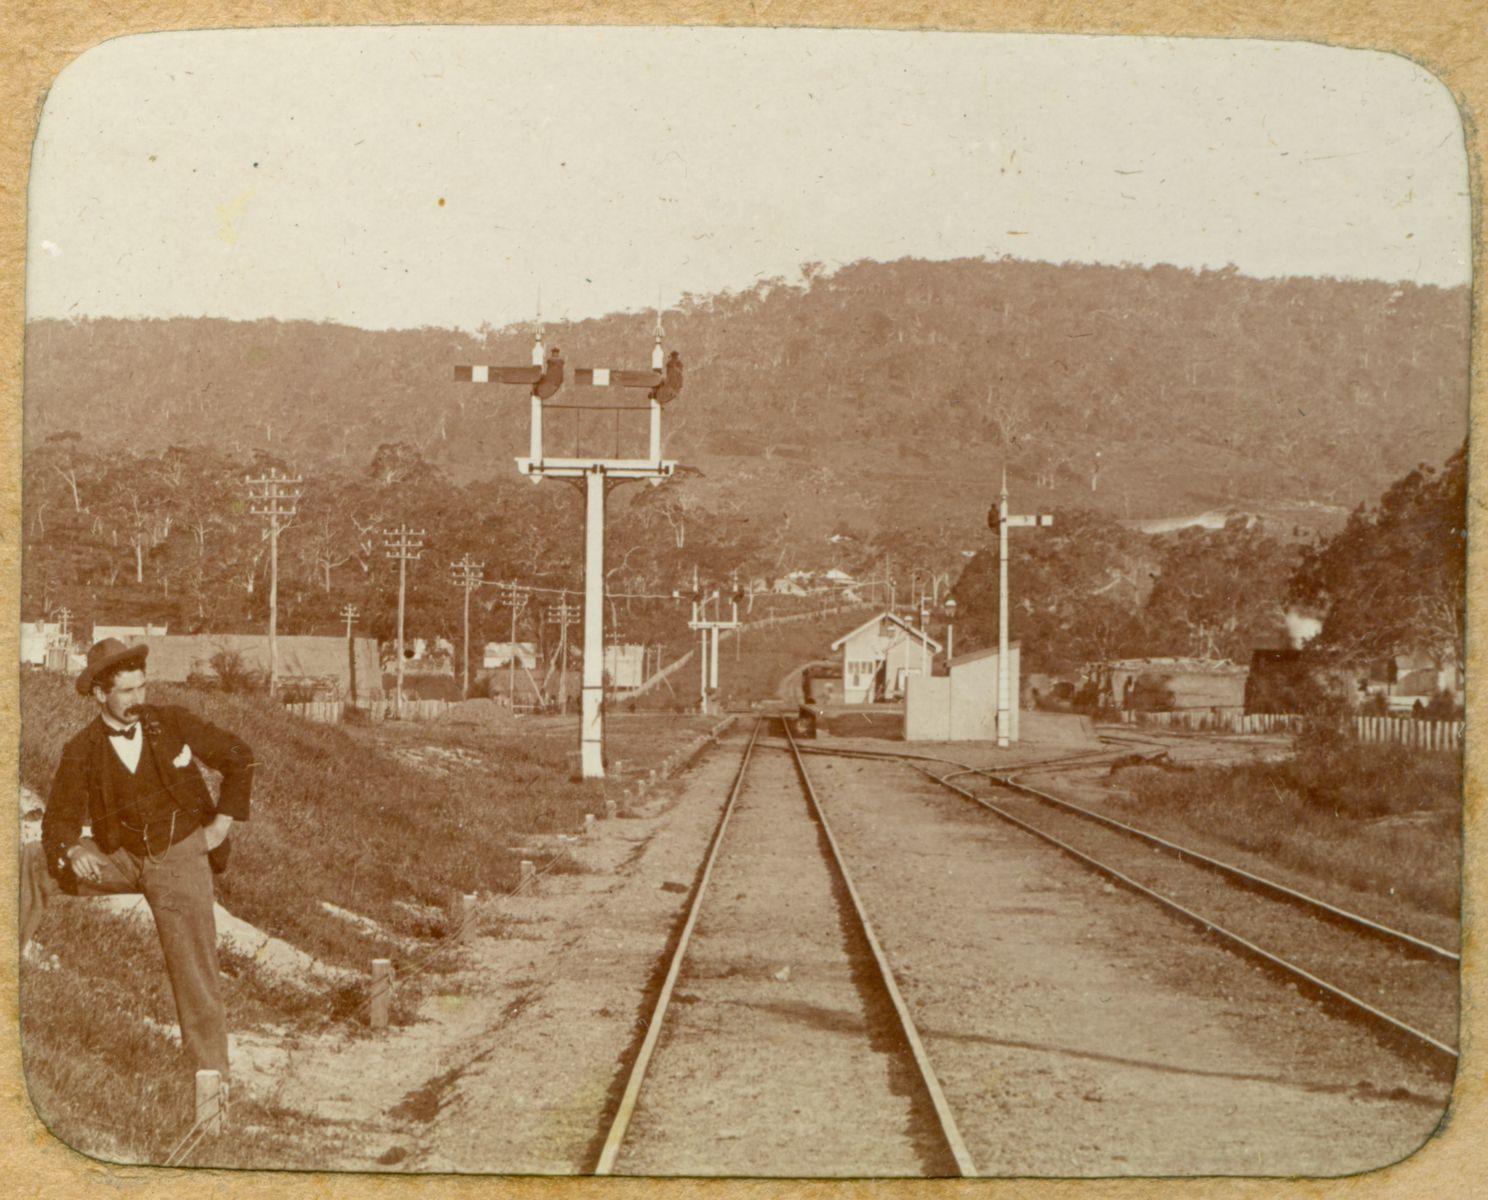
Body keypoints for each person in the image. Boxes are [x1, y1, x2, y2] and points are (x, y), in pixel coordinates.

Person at [21, 638, 254, 1086]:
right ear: (99, 694)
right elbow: (58, 821)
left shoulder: (172, 723)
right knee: (33, 861)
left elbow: (239, 756)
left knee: (194, 970)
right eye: (126, 692)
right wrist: (70, 850)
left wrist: (221, 825)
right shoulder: (82, 748)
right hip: (122, 857)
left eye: (141, 687)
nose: (138, 700)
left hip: (179, 855)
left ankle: (211, 1084)